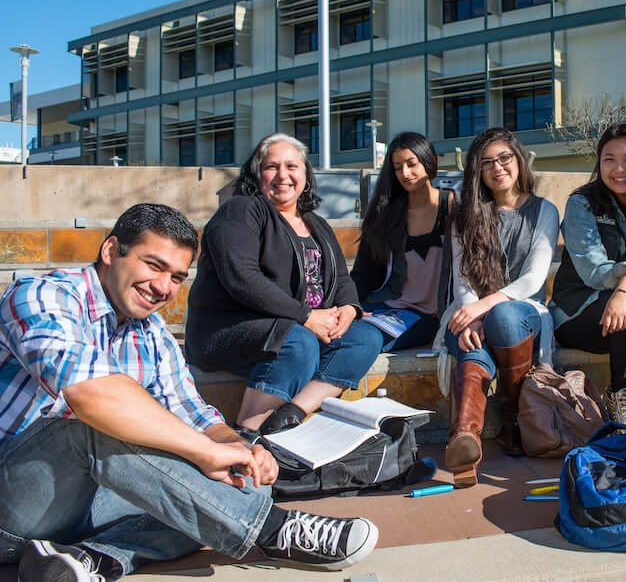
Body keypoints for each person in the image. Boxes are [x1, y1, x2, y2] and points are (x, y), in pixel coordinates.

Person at [0, 204, 378, 581]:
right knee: (91, 424)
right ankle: (274, 531)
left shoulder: (151, 333)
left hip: (90, 504)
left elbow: (192, 412)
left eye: (177, 277)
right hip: (14, 502)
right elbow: (91, 396)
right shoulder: (42, 296)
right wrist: (204, 452)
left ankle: (88, 560)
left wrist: (240, 449)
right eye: (154, 265)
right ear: (112, 251)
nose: (164, 288)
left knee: (239, 485)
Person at [185, 134, 382, 435]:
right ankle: (249, 430)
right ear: (256, 172)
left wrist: (349, 309)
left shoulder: (316, 223)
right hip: (233, 330)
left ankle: (290, 414)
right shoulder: (241, 211)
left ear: (305, 175)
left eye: (292, 166)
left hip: (299, 327)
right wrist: (306, 316)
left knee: (365, 336)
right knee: (296, 341)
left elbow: (342, 278)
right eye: (271, 167)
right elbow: (243, 277)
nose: (283, 175)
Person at [438, 127, 558, 487]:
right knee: (464, 336)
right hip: (470, 308)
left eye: (504, 158)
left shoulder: (544, 211)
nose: (497, 167)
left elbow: (533, 279)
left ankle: (513, 415)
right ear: (477, 171)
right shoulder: (465, 214)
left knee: (504, 317)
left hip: (523, 314)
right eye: (486, 162)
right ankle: (466, 437)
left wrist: (483, 308)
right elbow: (462, 280)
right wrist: (471, 314)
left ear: (519, 160)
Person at [549, 122, 626, 427]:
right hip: (576, 314)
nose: (619, 169)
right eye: (609, 159)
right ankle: (621, 402)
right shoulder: (582, 204)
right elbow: (593, 271)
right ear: (599, 163)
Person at [352, 132, 454, 350]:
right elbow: (364, 274)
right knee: (336, 332)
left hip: (428, 316)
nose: (405, 173)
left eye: (411, 164)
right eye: (398, 167)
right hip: (384, 305)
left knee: (364, 339)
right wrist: (348, 307)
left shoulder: (453, 206)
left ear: (429, 161)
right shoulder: (386, 213)